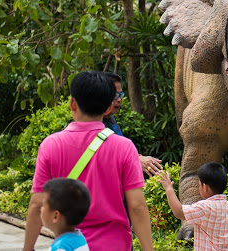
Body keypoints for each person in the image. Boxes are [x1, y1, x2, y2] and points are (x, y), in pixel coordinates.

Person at [23, 71, 154, 251]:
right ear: (108, 108)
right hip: (115, 245)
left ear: (72, 104)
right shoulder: (125, 147)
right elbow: (137, 207)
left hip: (70, 246)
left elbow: (37, 204)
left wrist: (28, 248)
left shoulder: (51, 145)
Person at [158, 162, 228, 251]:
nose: (199, 188)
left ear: (205, 187)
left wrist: (168, 188)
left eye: (199, 185)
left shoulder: (204, 207)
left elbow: (179, 212)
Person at [103, 72, 163, 177]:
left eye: (121, 95)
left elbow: (120, 150)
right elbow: (107, 157)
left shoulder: (111, 118)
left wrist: (138, 158)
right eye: (114, 95)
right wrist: (136, 160)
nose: (119, 100)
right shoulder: (96, 125)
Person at [41, 178, 91, 251]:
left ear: (55, 216)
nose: (41, 209)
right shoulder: (79, 238)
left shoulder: (61, 248)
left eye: (43, 205)